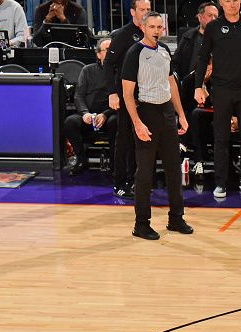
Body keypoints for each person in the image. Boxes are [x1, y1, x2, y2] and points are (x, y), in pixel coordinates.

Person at [122, 11, 193, 240]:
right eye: (151, 26)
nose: (156, 31)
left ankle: (176, 218)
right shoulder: (135, 53)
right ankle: (141, 224)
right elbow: (127, 93)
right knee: (145, 173)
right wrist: (137, 123)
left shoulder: (164, 50)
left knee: (173, 169)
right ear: (143, 27)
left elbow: (171, 83)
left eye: (159, 27)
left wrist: (181, 114)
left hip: (167, 113)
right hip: (146, 113)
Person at [195, 0, 241, 199]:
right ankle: (220, 183)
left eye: (235, 0)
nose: (232, 4)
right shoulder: (213, 27)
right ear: (221, 3)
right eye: (227, 0)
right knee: (221, 138)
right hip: (222, 89)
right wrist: (198, 85)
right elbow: (202, 57)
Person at [104, 0, 151, 199]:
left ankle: (136, 180)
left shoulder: (150, 33)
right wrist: (112, 93)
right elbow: (108, 64)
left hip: (147, 95)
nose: (146, 12)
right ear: (133, 12)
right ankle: (119, 183)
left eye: (149, 9)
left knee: (141, 140)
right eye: (142, 9)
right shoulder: (124, 34)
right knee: (124, 140)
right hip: (126, 96)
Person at [63, 38, 117, 176]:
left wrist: (105, 114)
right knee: (70, 122)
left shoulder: (120, 72)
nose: (110, 52)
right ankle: (81, 160)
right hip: (89, 115)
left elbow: (121, 99)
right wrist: (85, 113)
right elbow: (78, 96)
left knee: (116, 122)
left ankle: (115, 163)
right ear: (98, 54)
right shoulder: (87, 70)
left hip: (109, 115)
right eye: (106, 50)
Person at [172, 2, 218, 82]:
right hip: (190, 85)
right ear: (200, 17)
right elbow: (176, 62)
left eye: (215, 16)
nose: (213, 19)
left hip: (215, 86)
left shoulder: (222, 39)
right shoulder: (188, 37)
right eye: (210, 15)